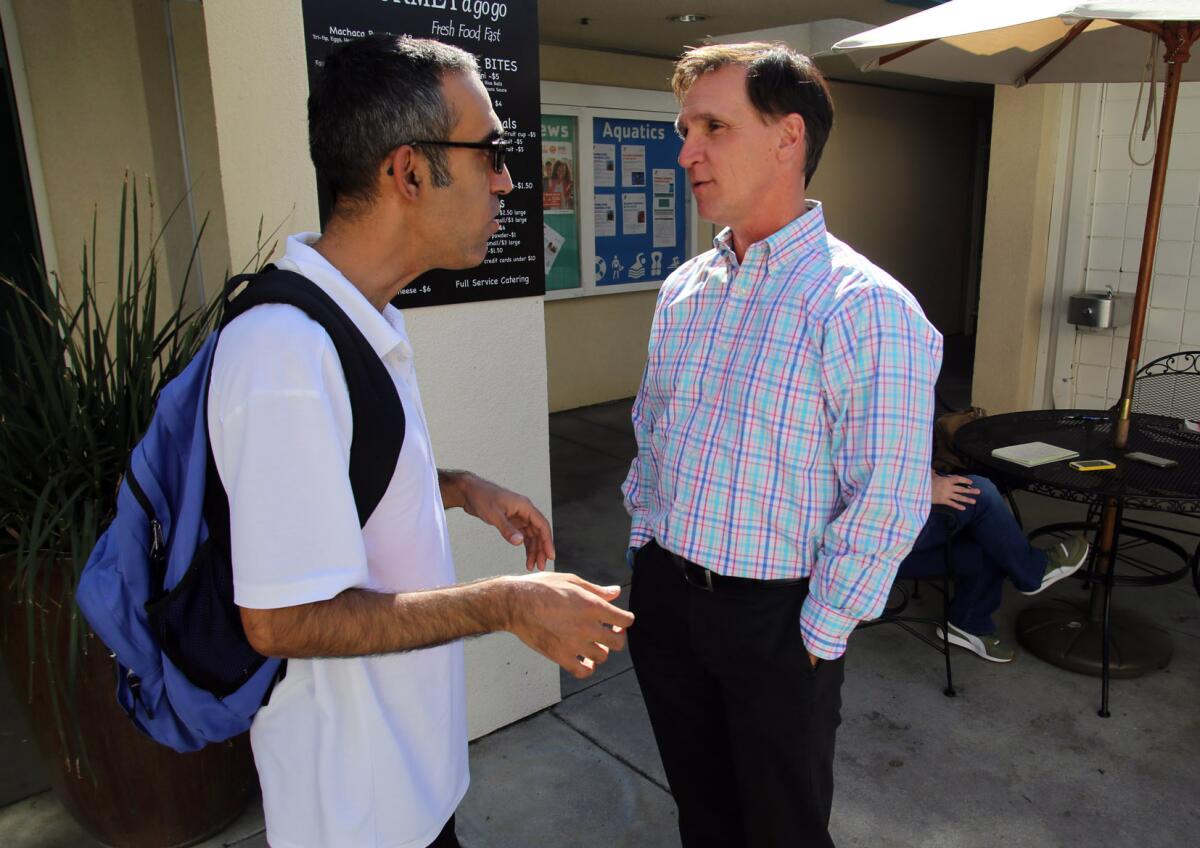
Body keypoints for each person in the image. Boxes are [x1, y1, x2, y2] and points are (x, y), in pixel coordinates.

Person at [208, 35, 634, 848]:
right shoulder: (283, 354)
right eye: (490, 154)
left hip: (407, 787)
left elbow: (341, 478)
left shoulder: (357, 320)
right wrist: (507, 603)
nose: (507, 181)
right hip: (357, 814)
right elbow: (281, 620)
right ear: (408, 172)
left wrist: (459, 485)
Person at [621, 42, 942, 847]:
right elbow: (652, 431)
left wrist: (818, 633)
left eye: (713, 127)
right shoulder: (684, 289)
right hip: (670, 596)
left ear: (787, 137)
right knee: (704, 814)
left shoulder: (865, 307)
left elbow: (889, 494)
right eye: (685, 128)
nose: (687, 151)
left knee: (782, 829)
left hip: (777, 620)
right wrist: (643, 554)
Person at [909, 472, 1090, 662]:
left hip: (904, 510)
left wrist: (928, 475)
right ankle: (1033, 571)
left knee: (990, 531)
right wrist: (923, 491)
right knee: (980, 492)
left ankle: (968, 622)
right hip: (884, 543)